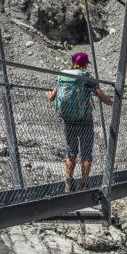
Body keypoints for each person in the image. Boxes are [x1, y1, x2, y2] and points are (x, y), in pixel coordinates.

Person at [45, 52, 112, 191]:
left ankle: (69, 182)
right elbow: (99, 94)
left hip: (68, 119)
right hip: (85, 119)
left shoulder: (63, 76)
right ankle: (84, 184)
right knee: (86, 152)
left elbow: (52, 97)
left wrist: (47, 94)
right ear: (84, 64)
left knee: (71, 150)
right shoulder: (87, 77)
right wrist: (111, 102)